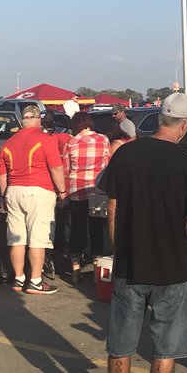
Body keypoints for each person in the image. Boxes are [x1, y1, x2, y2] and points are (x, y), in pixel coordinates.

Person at [102, 91, 187, 373]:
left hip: (129, 263)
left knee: (121, 342)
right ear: (184, 124)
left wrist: (121, 250)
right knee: (166, 346)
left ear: (159, 119)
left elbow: (112, 208)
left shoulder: (126, 154)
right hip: (170, 267)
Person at [0, 103, 66, 295]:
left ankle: (18, 278)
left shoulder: (8, 143)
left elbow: (3, 175)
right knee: (38, 237)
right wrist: (62, 191)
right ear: (39, 119)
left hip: (13, 191)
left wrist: (4, 196)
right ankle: (35, 280)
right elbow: (56, 168)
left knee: (16, 238)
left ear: (22, 120)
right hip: (38, 190)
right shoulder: (45, 139)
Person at [60, 112, 110, 280]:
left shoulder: (71, 143)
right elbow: (107, 165)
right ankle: (97, 272)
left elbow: (65, 170)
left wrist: (64, 194)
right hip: (97, 190)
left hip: (76, 190)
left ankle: (75, 271)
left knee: (77, 229)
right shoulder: (103, 139)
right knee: (96, 229)